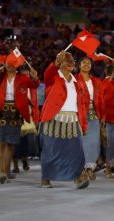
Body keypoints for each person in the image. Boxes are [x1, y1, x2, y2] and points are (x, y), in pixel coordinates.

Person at [0, 58, 40, 184]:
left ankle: (6, 171)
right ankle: (2, 173)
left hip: (15, 113)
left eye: (13, 63)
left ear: (17, 65)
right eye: (8, 63)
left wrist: (35, 77)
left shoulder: (22, 77)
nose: (11, 65)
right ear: (4, 64)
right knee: (1, 143)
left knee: (11, 144)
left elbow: (35, 85)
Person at [39, 51, 90, 189]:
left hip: (73, 120)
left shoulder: (78, 81)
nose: (71, 63)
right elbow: (47, 73)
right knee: (51, 150)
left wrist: (83, 125)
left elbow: (83, 104)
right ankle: (46, 178)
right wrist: (55, 62)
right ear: (60, 63)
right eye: (67, 60)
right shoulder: (53, 77)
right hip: (54, 119)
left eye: (72, 60)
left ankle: (78, 177)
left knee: (76, 151)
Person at [76, 57, 104, 180]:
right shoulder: (74, 80)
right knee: (81, 143)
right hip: (79, 115)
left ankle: (90, 168)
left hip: (94, 115)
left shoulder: (96, 81)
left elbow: (102, 99)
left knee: (94, 143)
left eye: (89, 63)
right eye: (84, 62)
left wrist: (103, 116)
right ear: (79, 65)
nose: (86, 65)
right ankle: (81, 169)